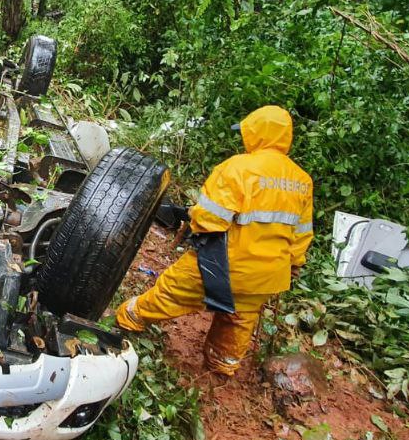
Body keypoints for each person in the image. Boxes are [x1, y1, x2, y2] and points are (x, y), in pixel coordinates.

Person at [117, 105, 314, 377]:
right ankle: (223, 364)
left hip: (223, 265)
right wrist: (293, 265)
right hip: (267, 276)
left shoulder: (237, 168)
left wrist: (192, 220)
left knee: (171, 293)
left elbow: (209, 220)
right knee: (239, 320)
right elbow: (302, 234)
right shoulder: (302, 181)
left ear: (255, 133)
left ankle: (129, 318)